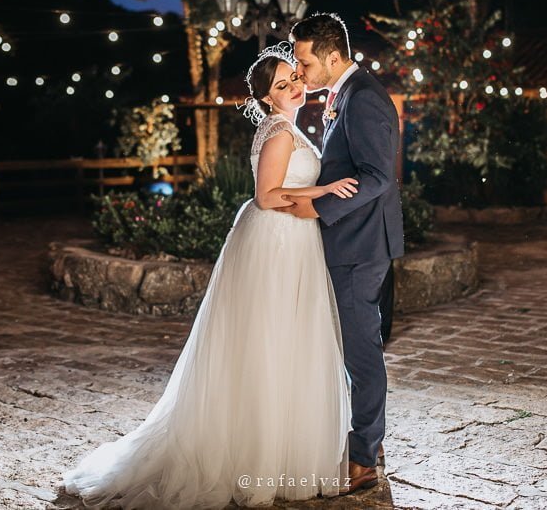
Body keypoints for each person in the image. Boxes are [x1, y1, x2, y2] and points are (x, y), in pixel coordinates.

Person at [62, 42, 356, 509]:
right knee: (270, 340)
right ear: (266, 99)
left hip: (290, 238)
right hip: (275, 240)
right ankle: (256, 459)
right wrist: (325, 189)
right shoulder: (280, 132)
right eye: (283, 85)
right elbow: (266, 197)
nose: (296, 86)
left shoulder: (288, 127)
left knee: (282, 340)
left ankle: (278, 451)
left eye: (295, 78)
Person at [282, 12, 405, 495]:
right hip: (353, 242)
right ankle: (366, 445)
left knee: (362, 351)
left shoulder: (365, 99)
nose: (300, 70)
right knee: (356, 347)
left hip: (359, 245)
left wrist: (318, 210)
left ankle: (364, 457)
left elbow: (377, 176)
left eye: (306, 60)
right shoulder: (345, 94)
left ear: (333, 56)